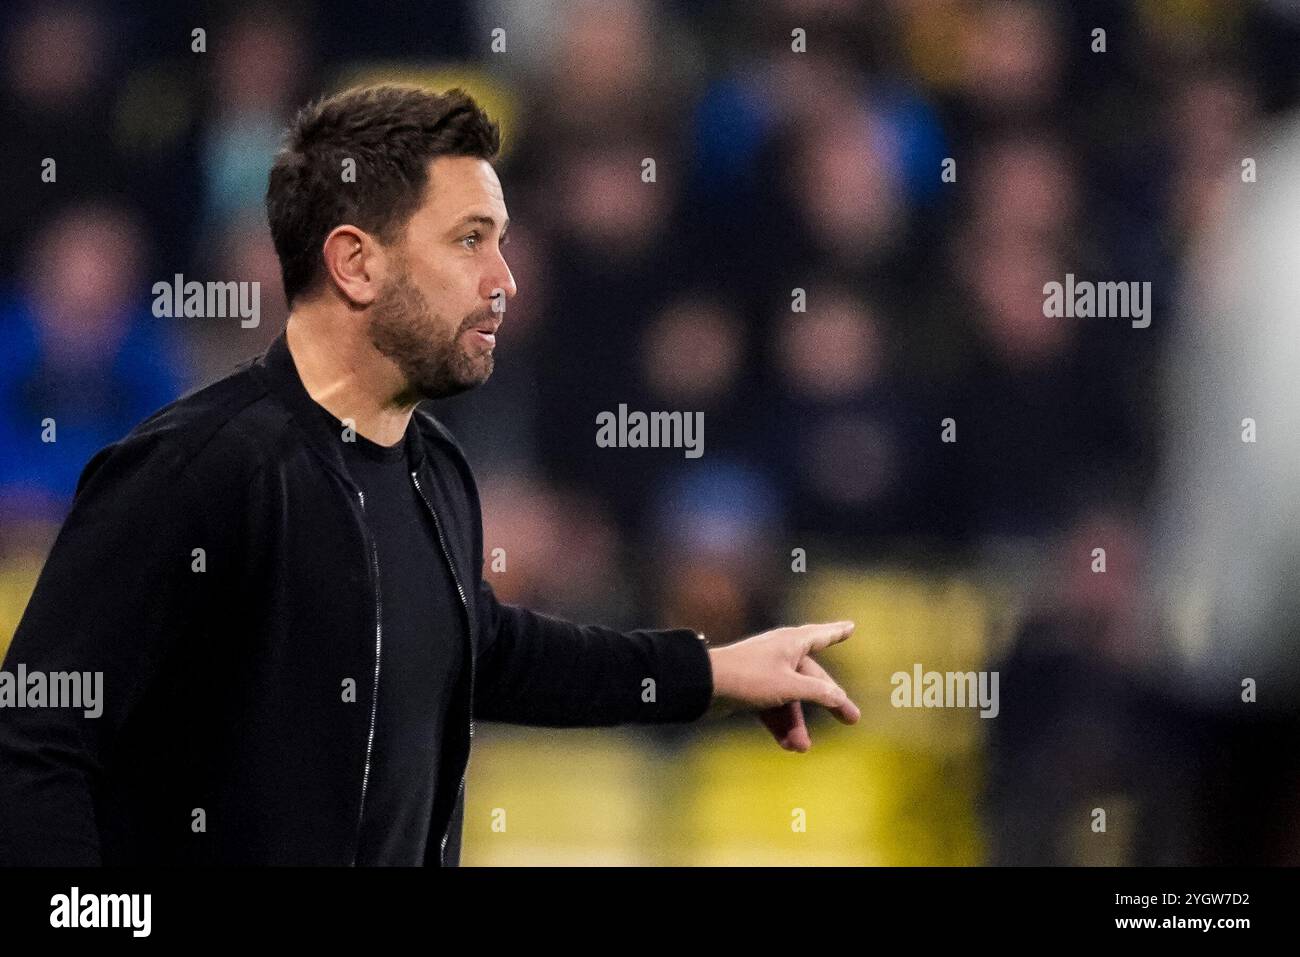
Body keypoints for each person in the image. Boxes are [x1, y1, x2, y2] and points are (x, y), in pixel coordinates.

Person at [0, 84, 859, 866]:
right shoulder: (194, 470)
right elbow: (36, 741)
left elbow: (484, 649)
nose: (505, 281)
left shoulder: (435, 468)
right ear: (356, 263)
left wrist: (709, 672)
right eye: (470, 241)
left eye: (503, 243)